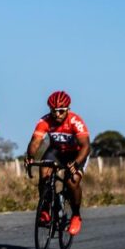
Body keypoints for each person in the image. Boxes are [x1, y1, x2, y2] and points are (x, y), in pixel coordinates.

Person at [25, 91, 89, 236]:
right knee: (44, 172)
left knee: (72, 181)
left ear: (68, 109)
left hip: (77, 153)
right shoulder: (45, 121)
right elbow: (35, 142)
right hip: (57, 151)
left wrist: (77, 163)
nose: (57, 114)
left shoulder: (75, 121)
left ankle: (76, 215)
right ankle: (45, 209)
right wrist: (29, 157)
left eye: (61, 111)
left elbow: (86, 146)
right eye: (54, 111)